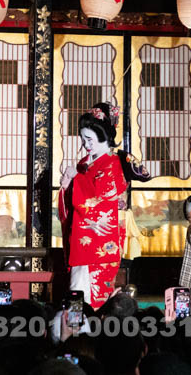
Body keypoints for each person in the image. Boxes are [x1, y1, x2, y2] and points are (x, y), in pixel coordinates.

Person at [59, 102, 129, 308]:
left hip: (100, 243)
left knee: (94, 293)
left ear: (104, 136)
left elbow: (101, 196)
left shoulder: (113, 163)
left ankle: (90, 325)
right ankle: (76, 325)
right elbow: (75, 197)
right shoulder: (85, 162)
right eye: (83, 139)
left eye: (89, 139)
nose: (85, 144)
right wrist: (67, 185)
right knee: (77, 290)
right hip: (82, 240)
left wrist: (76, 179)